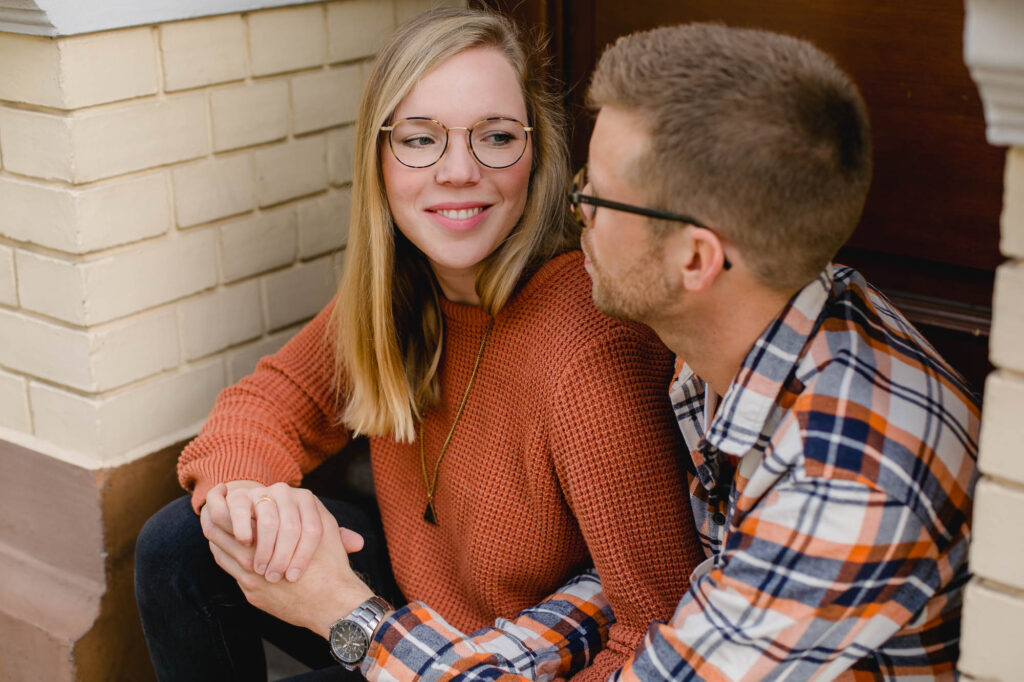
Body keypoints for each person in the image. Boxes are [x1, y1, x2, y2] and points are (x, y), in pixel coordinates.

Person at [206, 22, 981, 680]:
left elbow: (651, 620)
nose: (572, 215)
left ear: (696, 260)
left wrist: (346, 613)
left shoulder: (842, 485)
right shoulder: (745, 342)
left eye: (596, 199)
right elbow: (646, 588)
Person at [133, 7, 707, 682]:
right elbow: (268, 402)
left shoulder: (589, 341)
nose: (459, 171)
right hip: (410, 607)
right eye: (419, 139)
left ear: (537, 154)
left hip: (512, 659)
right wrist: (254, 501)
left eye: (494, 136)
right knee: (179, 545)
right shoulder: (401, 288)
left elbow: (660, 630)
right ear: (379, 158)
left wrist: (346, 610)